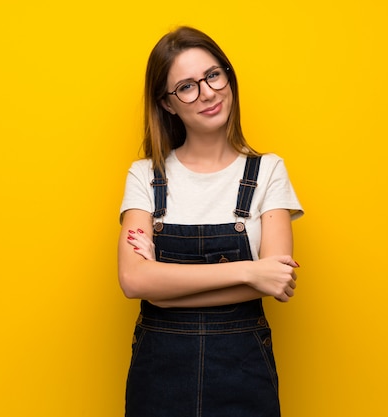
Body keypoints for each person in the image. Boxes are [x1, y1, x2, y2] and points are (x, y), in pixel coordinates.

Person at [118, 26, 303, 417]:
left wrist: (164, 287)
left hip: (243, 376)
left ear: (227, 75)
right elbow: (135, 281)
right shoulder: (144, 177)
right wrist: (249, 272)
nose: (207, 93)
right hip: (159, 379)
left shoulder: (268, 171)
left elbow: (276, 280)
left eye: (213, 75)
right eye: (186, 86)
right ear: (167, 103)